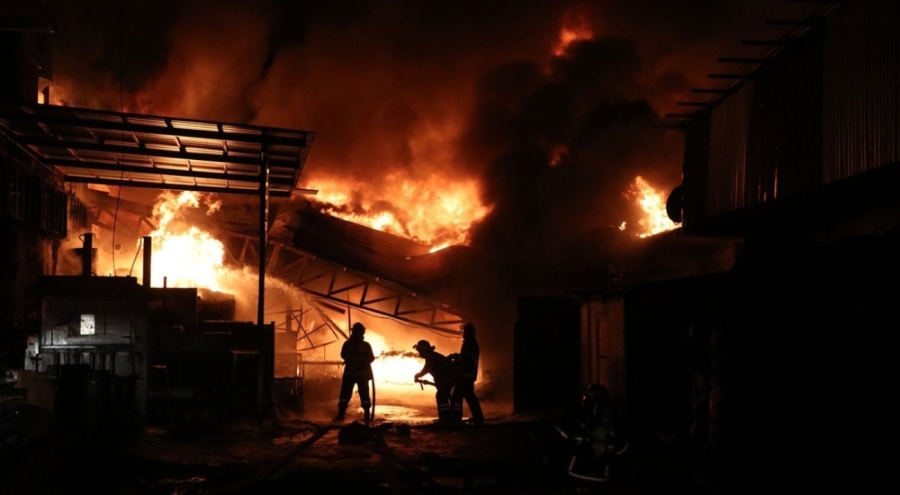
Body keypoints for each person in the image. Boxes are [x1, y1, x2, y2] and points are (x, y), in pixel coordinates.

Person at [335, 322, 375, 424]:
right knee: (365, 396)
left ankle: (340, 416)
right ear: (362, 332)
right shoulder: (366, 345)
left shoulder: (347, 344)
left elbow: (343, 355)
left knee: (344, 396)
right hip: (363, 376)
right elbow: (371, 358)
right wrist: (363, 360)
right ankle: (367, 418)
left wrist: (352, 359)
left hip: (350, 374)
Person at [413, 339, 455, 424]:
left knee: (441, 396)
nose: (420, 354)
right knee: (444, 396)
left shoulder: (431, 357)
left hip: (446, 380)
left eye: (420, 351)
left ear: (424, 350)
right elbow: (426, 368)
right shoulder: (431, 356)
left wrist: (418, 375)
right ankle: (447, 418)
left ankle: (445, 419)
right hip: (446, 380)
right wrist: (419, 375)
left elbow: (426, 369)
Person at [449, 322, 484, 424]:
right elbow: (466, 357)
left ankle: (456, 418)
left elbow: (466, 359)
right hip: (468, 375)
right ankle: (478, 417)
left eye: (464, 332)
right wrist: (458, 356)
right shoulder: (472, 342)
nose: (462, 334)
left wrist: (456, 361)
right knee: (469, 396)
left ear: (468, 332)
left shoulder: (469, 343)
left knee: (456, 396)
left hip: (464, 375)